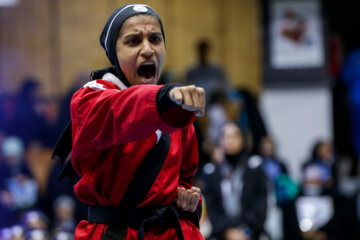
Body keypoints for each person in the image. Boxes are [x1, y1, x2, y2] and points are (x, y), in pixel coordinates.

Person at [54, 4, 205, 240]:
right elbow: (121, 112)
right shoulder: (91, 98)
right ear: (114, 52)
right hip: (115, 233)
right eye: (133, 41)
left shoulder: (176, 109)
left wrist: (187, 199)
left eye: (155, 39)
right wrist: (164, 98)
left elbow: (184, 178)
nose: (148, 49)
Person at [200, 122, 268, 240]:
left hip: (250, 231)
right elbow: (212, 207)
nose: (229, 140)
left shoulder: (254, 168)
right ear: (220, 141)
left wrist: (247, 231)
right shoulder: (212, 172)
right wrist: (226, 232)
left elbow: (260, 203)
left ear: (242, 139)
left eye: (234, 136)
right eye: (225, 136)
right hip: (222, 232)